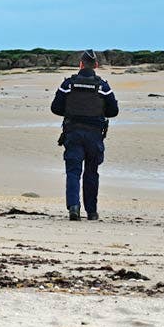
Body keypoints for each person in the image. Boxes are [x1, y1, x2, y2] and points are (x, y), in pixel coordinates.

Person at [51, 49, 119, 220]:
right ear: (95, 65)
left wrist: (71, 111)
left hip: (73, 132)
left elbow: (55, 108)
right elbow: (113, 111)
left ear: (80, 64)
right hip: (94, 135)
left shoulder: (68, 84)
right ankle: (92, 211)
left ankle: (73, 207)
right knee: (91, 172)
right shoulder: (102, 86)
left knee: (73, 171)